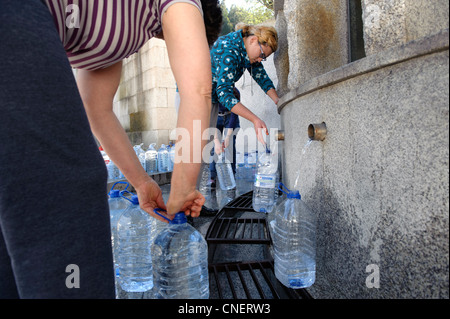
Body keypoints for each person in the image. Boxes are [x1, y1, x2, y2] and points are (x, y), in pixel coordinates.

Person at [0, 0, 221, 298]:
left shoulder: (122, 32)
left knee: (16, 220)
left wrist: (142, 183)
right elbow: (198, 90)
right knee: (68, 190)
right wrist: (183, 187)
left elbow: (97, 110)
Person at [210, 23, 280, 146]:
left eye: (263, 58)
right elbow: (225, 94)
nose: (260, 60)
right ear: (253, 40)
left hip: (211, 100)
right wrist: (254, 119)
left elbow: (261, 76)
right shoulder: (230, 51)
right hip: (195, 97)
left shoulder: (245, 51)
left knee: (203, 154)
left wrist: (277, 100)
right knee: (196, 154)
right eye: (261, 55)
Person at [209, 87, 241, 189]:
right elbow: (210, 118)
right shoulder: (211, 94)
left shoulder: (235, 93)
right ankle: (212, 177)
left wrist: (227, 137)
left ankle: (232, 177)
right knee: (215, 147)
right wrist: (216, 141)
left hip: (230, 116)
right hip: (216, 117)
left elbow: (234, 116)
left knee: (230, 146)